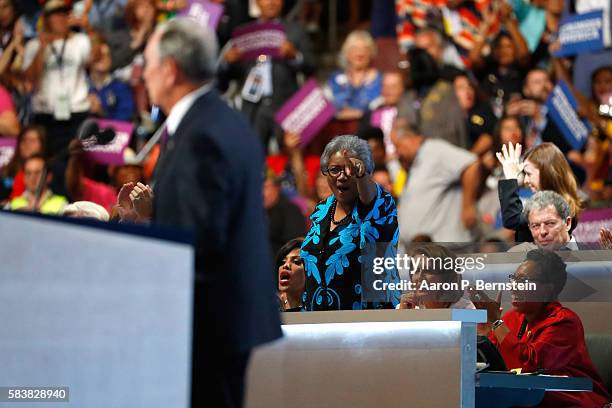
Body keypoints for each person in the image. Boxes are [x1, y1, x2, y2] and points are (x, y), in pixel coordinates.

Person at [136, 17, 281, 408]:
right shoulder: (225, 121)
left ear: (169, 71)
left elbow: (197, 242)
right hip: (223, 321)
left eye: (147, 63)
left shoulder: (200, 136)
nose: (143, 73)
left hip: (206, 324)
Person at [472, 249, 611, 407]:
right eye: (514, 279)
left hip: (570, 402)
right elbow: (493, 365)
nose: (513, 287)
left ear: (547, 289)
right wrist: (484, 332)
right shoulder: (511, 318)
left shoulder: (564, 322)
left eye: (523, 281)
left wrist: (497, 323)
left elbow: (528, 368)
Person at [301, 135, 399, 311]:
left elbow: (369, 200)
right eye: (334, 169)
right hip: (317, 321)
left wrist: (361, 178)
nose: (342, 176)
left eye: (351, 170)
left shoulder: (381, 203)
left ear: (367, 171)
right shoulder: (322, 209)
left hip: (368, 319)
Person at [219, 0, 314, 152]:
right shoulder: (243, 32)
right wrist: (227, 62)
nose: (271, 3)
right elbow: (223, 80)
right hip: (252, 107)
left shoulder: (295, 30)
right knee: (250, 156)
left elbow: (311, 67)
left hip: (286, 105)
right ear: (256, 2)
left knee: (291, 155)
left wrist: (294, 55)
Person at [391, 117, 481, 242]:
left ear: (410, 139)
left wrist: (468, 205)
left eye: (397, 146)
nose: (397, 153)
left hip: (444, 247)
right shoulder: (412, 163)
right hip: (421, 251)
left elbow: (471, 164)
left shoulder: (434, 150)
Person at [496, 141, 582, 242]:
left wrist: (511, 176)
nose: (526, 181)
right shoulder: (559, 200)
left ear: (546, 173)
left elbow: (513, 219)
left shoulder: (555, 205)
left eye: (529, 174)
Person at [397, 243, 476, 310]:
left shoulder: (468, 310)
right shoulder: (405, 307)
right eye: (416, 271)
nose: (420, 277)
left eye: (428, 270)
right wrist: (402, 317)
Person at [328, 30, 382, 121]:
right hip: (338, 129)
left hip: (368, 130)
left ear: (371, 53)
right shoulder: (335, 79)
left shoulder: (380, 80)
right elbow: (325, 109)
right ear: (347, 53)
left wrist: (360, 114)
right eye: (354, 49)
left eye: (365, 49)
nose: (360, 54)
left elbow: (382, 112)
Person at [508, 191, 582, 252]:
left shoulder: (592, 257)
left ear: (567, 223)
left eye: (550, 223)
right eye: (535, 226)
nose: (542, 232)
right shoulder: (517, 258)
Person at [263, 171, 306, 261]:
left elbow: (295, 247)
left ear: (277, 188)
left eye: (265, 187)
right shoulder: (258, 211)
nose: (261, 193)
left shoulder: (290, 211)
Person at [276, 237, 305, 312]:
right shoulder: (269, 308)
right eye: (283, 262)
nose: (286, 265)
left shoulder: (318, 312)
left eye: (296, 261)